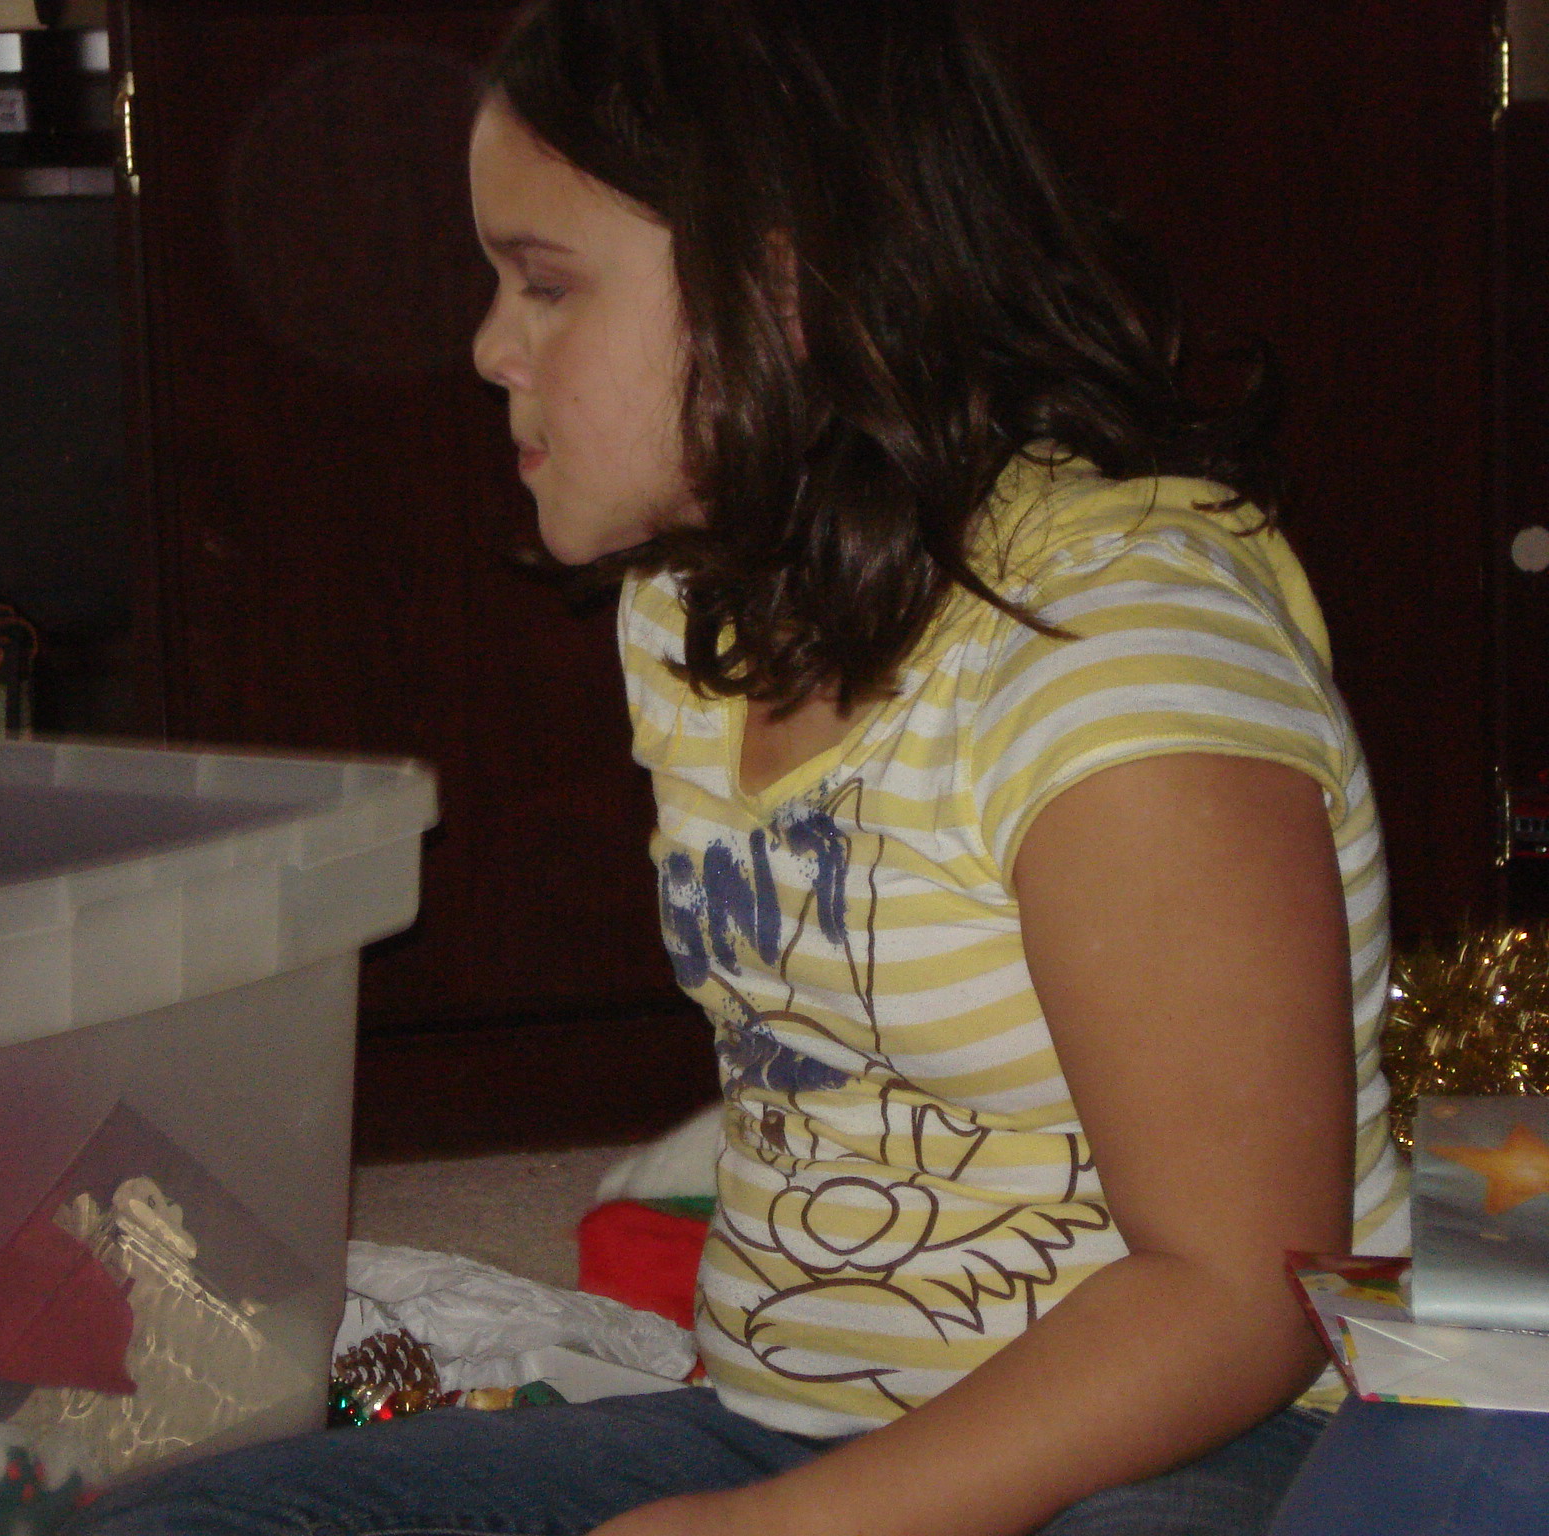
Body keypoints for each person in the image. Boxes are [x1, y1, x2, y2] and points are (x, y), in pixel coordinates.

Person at [82, 1, 1407, 1531]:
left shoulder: (1121, 654)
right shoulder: (688, 601)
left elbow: (1241, 1295)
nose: (491, 346)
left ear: (785, 292)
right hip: (792, 1431)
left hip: (1225, 1439)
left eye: (547, 283)